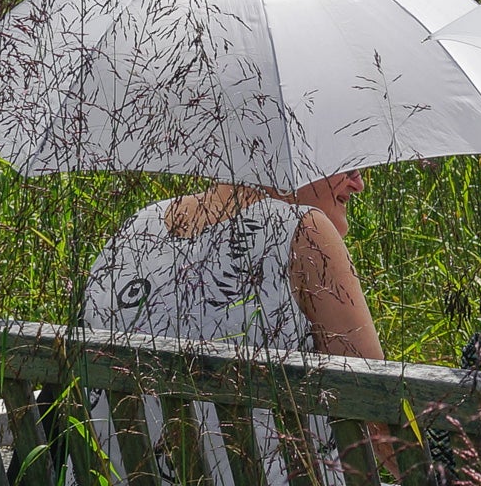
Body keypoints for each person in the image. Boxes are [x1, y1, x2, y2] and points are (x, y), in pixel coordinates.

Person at [81, 169, 386, 486]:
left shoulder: (137, 228)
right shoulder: (305, 230)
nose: (359, 184)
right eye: (347, 168)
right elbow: (381, 415)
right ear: (294, 153)